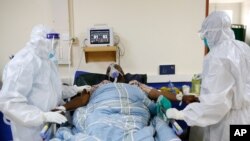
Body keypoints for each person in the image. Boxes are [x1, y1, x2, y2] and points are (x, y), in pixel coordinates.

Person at [166, 11, 250, 141]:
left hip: (226, 122)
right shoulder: (244, 48)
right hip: (245, 117)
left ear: (212, 33)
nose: (204, 40)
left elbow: (216, 104)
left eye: (204, 35)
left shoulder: (217, 56)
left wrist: (183, 114)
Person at [0, 24, 88, 141]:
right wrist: (42, 116)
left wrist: (76, 89)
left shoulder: (47, 60)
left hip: (49, 121)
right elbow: (9, 102)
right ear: (42, 41)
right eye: (54, 44)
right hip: (30, 128)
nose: (55, 47)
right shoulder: (23, 62)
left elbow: (55, 89)